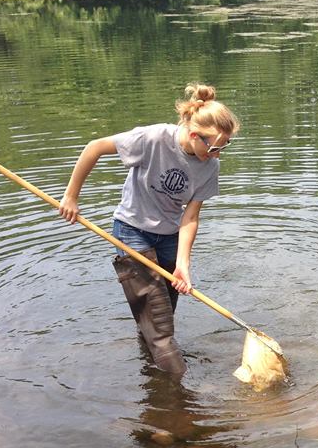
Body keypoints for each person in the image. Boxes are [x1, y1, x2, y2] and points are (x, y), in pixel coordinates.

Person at [58, 83, 240, 375]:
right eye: (214, 148)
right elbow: (95, 148)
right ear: (195, 135)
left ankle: (152, 373)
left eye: (223, 147)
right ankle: (178, 384)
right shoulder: (153, 138)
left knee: (162, 313)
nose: (217, 155)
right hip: (132, 229)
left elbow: (191, 217)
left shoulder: (209, 167)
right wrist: (71, 197)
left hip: (169, 235)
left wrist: (183, 265)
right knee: (160, 325)